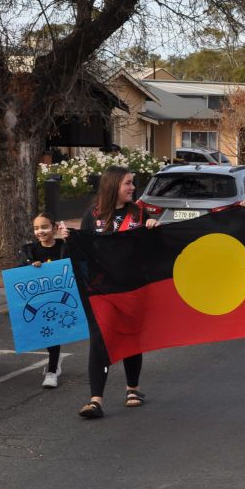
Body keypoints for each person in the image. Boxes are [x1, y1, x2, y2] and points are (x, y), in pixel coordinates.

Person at [77, 166, 159, 419]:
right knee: (100, 339)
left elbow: (153, 251)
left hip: (132, 286)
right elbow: (83, 247)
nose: (133, 188)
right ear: (114, 185)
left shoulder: (140, 213)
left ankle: (132, 388)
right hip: (101, 289)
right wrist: (67, 238)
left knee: (130, 335)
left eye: (133, 183)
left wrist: (154, 230)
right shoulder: (93, 214)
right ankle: (95, 400)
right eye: (128, 183)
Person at [20, 212, 69, 389]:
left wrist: (69, 238)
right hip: (39, 302)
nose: (40, 231)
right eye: (36, 228)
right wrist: (30, 265)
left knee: (53, 333)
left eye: (45, 227)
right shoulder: (30, 251)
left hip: (59, 300)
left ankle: (52, 371)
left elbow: (77, 259)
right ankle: (55, 364)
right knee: (46, 336)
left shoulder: (64, 246)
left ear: (54, 228)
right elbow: (20, 272)